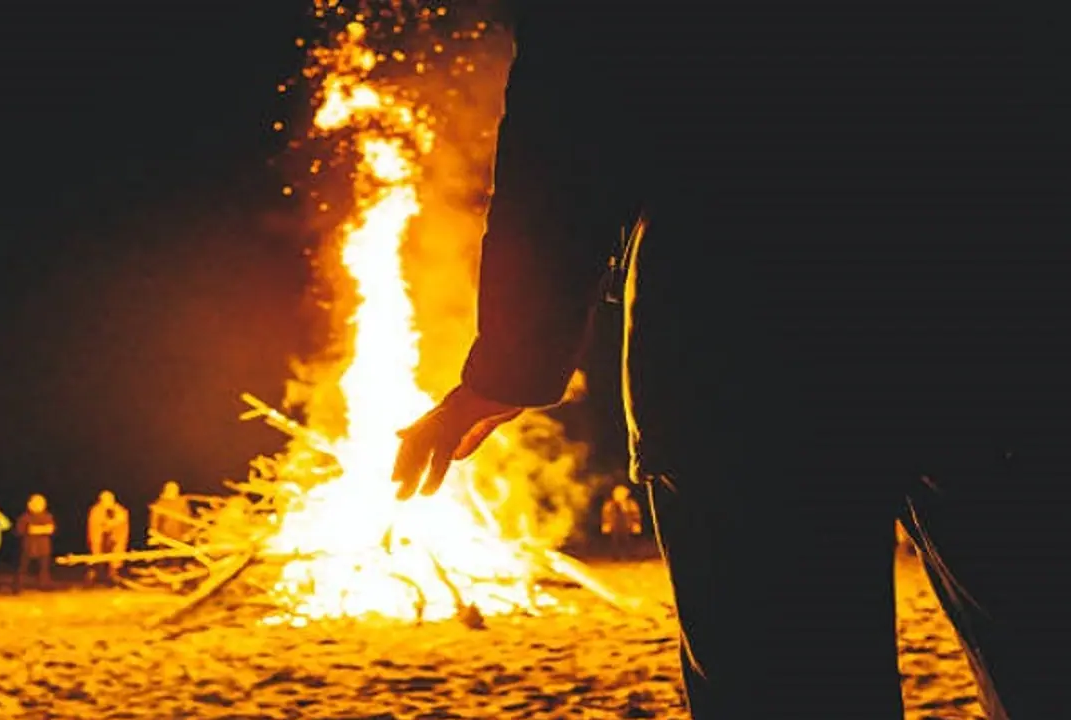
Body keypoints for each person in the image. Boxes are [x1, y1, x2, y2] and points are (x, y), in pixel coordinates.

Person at [392, 4, 1067, 718]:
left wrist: (506, 371)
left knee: (791, 687)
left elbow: (565, 140)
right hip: (989, 314)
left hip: (743, 351)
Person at [14, 493, 55, 592]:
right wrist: (40, 529)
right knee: (23, 568)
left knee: (44, 568)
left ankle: (44, 586)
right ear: (30, 504)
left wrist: (35, 529)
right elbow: (21, 530)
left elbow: (51, 529)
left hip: (43, 547)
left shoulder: (48, 516)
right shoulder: (24, 517)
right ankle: (17, 587)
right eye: (36, 503)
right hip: (28, 546)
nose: (39, 505)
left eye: (41, 503)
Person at [86, 490, 129, 586]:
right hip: (100, 539)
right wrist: (108, 524)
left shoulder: (119, 510)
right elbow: (95, 525)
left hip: (115, 540)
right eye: (105, 500)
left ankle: (113, 576)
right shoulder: (96, 510)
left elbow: (122, 521)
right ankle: (94, 577)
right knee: (97, 559)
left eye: (110, 499)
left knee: (114, 560)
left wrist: (114, 523)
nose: (108, 502)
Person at [600, 485, 642, 561]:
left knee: (628, 541)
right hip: (615, 525)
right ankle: (616, 557)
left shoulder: (630, 504)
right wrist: (606, 524)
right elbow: (606, 515)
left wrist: (636, 524)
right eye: (618, 494)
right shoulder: (609, 504)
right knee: (615, 541)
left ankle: (629, 556)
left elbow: (636, 514)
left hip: (627, 525)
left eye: (622, 494)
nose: (620, 496)